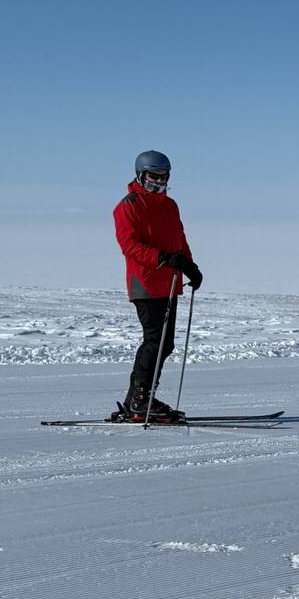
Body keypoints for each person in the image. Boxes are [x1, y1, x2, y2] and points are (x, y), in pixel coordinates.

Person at [112, 150, 202, 422]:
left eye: (164, 176)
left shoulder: (170, 206)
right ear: (141, 175)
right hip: (145, 282)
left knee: (165, 344)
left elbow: (179, 239)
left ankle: (137, 400)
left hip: (169, 283)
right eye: (154, 176)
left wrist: (190, 266)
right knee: (155, 341)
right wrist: (162, 257)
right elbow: (129, 245)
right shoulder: (128, 206)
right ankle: (141, 400)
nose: (160, 181)